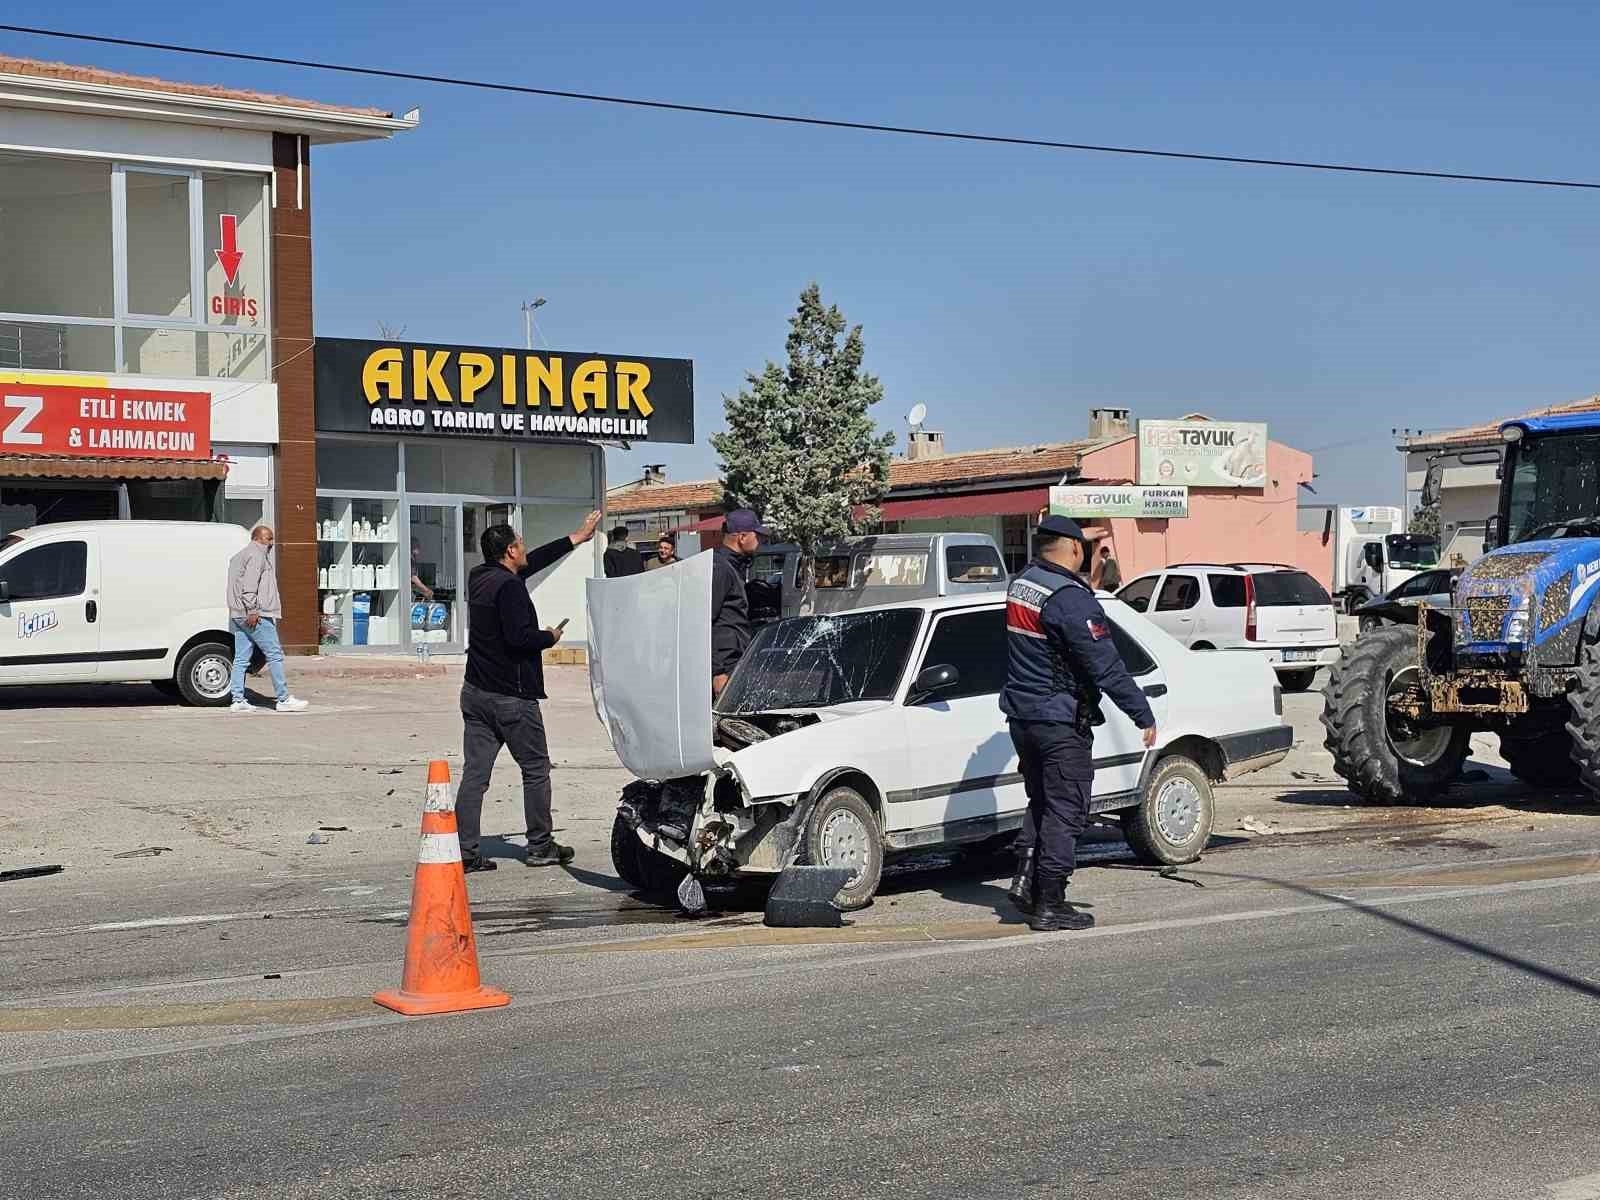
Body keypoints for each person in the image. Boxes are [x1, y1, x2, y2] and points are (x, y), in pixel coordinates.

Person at [1000, 515, 1156, 932]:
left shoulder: (1023, 582)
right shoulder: (1069, 597)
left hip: (1023, 716)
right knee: (1067, 811)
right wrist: (1141, 712)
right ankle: (1050, 903)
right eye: (1084, 545)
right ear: (1072, 548)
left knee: (1043, 802)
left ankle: (1024, 884)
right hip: (1058, 720)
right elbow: (1105, 664)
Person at [456, 510, 601, 872]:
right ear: (509, 552)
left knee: (475, 774)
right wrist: (548, 637)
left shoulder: (480, 577)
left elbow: (531, 563)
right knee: (535, 768)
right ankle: (540, 845)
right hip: (512, 698)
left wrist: (575, 538)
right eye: (520, 545)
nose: (525, 549)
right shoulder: (510, 589)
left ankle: (464, 849)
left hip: (475, 692)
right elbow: (520, 639)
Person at [226, 526, 309, 714]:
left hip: (238, 613)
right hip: (256, 614)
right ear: (257, 538)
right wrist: (253, 610)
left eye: (271, 539)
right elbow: (249, 586)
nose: (271, 543)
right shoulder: (256, 555)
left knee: (241, 658)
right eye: (268, 539)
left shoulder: (238, 556)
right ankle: (284, 699)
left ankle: (238, 699)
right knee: (275, 654)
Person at [712, 509, 767, 699]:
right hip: (724, 666)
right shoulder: (720, 568)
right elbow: (703, 622)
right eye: (757, 535)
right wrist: (717, 672)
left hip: (735, 659)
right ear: (742, 537)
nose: (760, 541)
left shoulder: (732, 566)